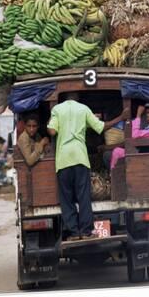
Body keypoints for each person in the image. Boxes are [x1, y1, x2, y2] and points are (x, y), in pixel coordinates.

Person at [47, 92, 128, 241]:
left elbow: (52, 131)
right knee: (83, 195)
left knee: (66, 198)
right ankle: (86, 231)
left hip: (63, 160)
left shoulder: (57, 109)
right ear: (77, 98)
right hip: (80, 158)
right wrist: (121, 118)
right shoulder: (83, 109)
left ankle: (73, 232)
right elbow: (102, 127)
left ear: (65, 98)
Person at [108, 103, 149, 170]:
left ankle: (114, 174)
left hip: (145, 157)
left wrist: (138, 115)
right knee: (117, 151)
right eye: (146, 113)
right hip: (142, 153)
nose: (147, 115)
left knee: (117, 152)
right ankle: (114, 174)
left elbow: (134, 135)